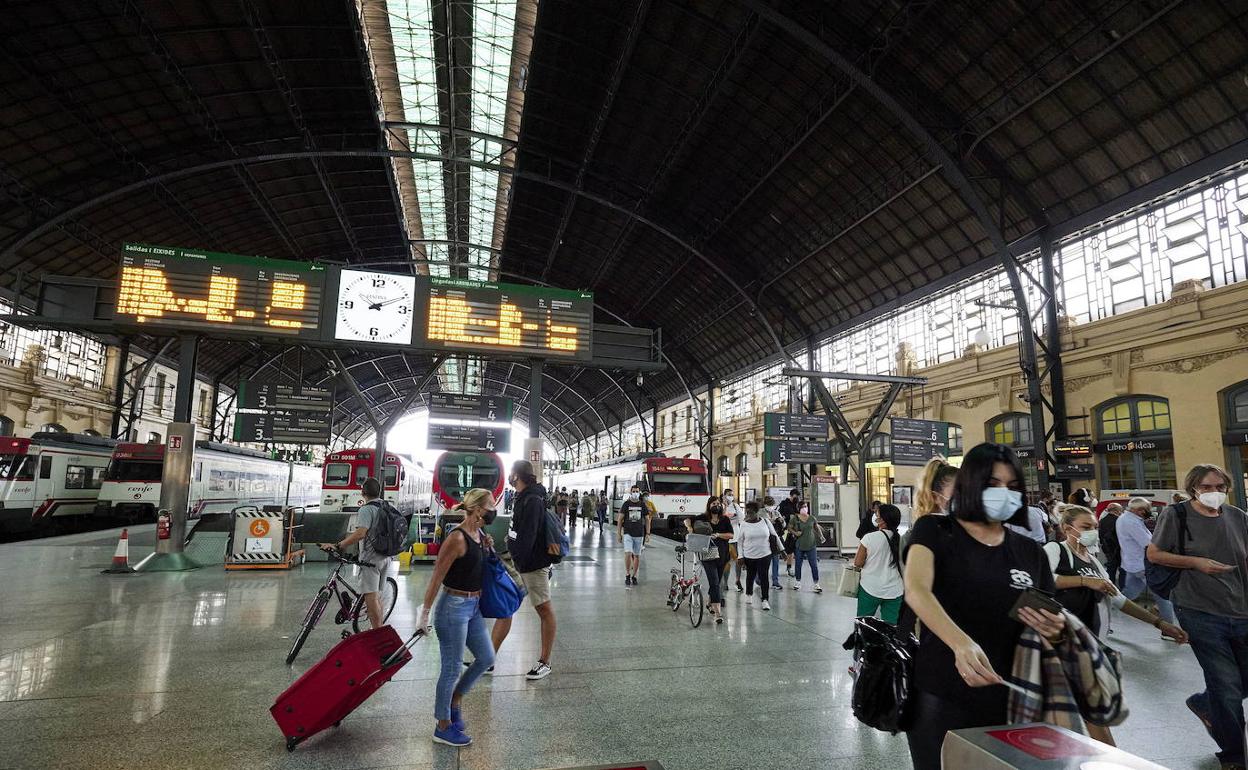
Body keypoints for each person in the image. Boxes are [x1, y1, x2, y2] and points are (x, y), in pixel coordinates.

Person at [902, 443, 1066, 770]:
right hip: (945, 690)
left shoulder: (1028, 551)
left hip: (1012, 696)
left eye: (1012, 486)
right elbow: (916, 589)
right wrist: (961, 643)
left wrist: (1056, 630)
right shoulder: (936, 530)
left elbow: (1050, 615)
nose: (1004, 493)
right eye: (993, 484)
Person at [1043, 504, 1188, 746]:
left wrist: (1159, 623)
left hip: (1090, 644)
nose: (1093, 532)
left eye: (1095, 527)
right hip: (1061, 643)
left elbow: (1118, 599)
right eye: (1086, 527)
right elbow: (1044, 578)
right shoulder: (1056, 549)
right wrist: (1084, 581)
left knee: (1090, 712)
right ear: (1068, 529)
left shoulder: (1092, 561)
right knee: (1089, 712)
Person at [1148, 464, 1248, 770]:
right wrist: (1195, 562)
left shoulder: (1237, 517)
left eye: (1220, 487)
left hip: (1241, 608)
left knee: (1238, 682)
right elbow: (1154, 554)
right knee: (1226, 685)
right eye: (1206, 487)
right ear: (1193, 488)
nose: (1214, 493)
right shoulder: (1176, 516)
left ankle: (1205, 703)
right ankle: (1234, 755)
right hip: (1198, 609)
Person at [420, 489, 497, 747]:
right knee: (451, 668)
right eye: (491, 505)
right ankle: (442, 726)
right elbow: (437, 576)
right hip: (453, 606)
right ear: (477, 509)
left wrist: (488, 549)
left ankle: (455, 700)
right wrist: (424, 612)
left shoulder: (480, 533)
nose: (494, 509)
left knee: (486, 657)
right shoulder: (457, 537)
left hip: (473, 606)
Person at [492, 460, 557, 681]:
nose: (510, 477)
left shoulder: (532, 499)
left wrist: (516, 559)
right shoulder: (524, 497)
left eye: (511, 473)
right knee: (505, 609)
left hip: (532, 565)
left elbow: (527, 536)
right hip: (519, 563)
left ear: (517, 475)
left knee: (544, 610)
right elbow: (517, 531)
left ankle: (545, 662)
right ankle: (488, 659)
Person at [320, 477, 390, 629]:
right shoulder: (385, 506)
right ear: (379, 492)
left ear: (362, 492)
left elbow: (360, 533)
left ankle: (378, 635)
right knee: (377, 596)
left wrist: (340, 545)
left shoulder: (366, 509)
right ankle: (378, 628)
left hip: (370, 560)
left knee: (371, 598)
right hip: (386, 557)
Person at [1117, 497, 1177, 625]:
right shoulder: (1131, 522)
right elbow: (1147, 543)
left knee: (1129, 593)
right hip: (1142, 565)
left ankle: (1112, 612)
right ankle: (1169, 627)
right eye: (1148, 510)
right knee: (1163, 595)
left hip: (1132, 563)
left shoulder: (1124, 518)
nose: (1150, 512)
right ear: (1140, 510)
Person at [685, 496, 733, 624]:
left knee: (716, 582)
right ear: (709, 505)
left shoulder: (725, 520)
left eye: (718, 503)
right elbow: (687, 520)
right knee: (715, 582)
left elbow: (731, 534)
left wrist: (718, 535)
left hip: (723, 556)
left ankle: (709, 602)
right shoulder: (702, 517)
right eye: (713, 503)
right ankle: (718, 613)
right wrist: (690, 529)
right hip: (708, 555)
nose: (716, 505)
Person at [854, 502, 904, 624]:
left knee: (864, 625)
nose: (875, 517)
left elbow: (858, 563)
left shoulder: (869, 538)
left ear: (882, 520)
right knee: (892, 628)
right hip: (895, 589)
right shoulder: (901, 539)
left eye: (877, 515)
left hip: (870, 588)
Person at [738, 501, 777, 610]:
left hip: (765, 554)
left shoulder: (765, 522)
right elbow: (740, 541)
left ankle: (765, 600)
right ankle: (749, 594)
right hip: (749, 555)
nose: (748, 515)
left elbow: (774, 535)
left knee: (764, 577)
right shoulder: (744, 525)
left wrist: (782, 551)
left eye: (750, 513)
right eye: (747, 513)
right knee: (750, 575)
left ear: (757, 512)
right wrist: (740, 556)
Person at [616, 485, 650, 586]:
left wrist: (648, 533)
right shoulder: (626, 504)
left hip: (639, 534)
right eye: (633, 491)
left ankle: (634, 575)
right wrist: (619, 534)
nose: (635, 493)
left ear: (639, 493)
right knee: (628, 553)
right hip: (628, 533)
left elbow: (647, 519)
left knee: (637, 555)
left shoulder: (642, 505)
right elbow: (620, 519)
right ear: (631, 492)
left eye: (637, 491)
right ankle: (627, 574)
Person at [787, 501, 823, 593]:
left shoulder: (811, 518)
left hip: (811, 545)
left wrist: (821, 536)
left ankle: (816, 583)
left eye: (806, 506)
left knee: (814, 565)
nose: (805, 508)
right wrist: (795, 533)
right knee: (798, 564)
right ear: (799, 508)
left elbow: (816, 527)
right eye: (802, 507)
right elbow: (789, 527)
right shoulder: (794, 518)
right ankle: (798, 582)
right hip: (799, 545)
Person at [722, 489, 745, 592]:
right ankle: (725, 583)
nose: (731, 497)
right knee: (726, 563)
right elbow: (720, 519)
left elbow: (741, 519)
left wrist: (735, 514)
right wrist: (725, 507)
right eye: (729, 495)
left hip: (736, 537)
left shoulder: (736, 506)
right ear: (724, 495)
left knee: (738, 561)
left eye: (732, 495)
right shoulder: (721, 506)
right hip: (726, 539)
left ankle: (737, 581)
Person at [762, 496, 787, 590]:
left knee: (776, 561)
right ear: (765, 505)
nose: (771, 506)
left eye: (772, 504)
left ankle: (775, 581)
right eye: (769, 504)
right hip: (764, 540)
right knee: (764, 562)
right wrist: (771, 521)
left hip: (776, 539)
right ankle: (758, 578)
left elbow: (784, 525)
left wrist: (782, 520)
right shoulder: (761, 512)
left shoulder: (776, 512)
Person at [1098, 502, 1124, 587]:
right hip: (1118, 549)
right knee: (1122, 570)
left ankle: (1110, 587)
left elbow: (1101, 535)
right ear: (1117, 511)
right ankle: (1122, 588)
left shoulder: (1102, 520)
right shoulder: (1119, 520)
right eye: (1121, 510)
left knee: (1110, 570)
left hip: (1107, 550)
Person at [778, 489, 800, 576]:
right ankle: (789, 568)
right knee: (789, 550)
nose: (797, 498)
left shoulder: (797, 504)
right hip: (786, 530)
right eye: (795, 496)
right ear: (791, 495)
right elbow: (779, 515)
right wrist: (787, 516)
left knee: (794, 551)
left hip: (796, 530)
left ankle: (790, 567)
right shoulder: (784, 504)